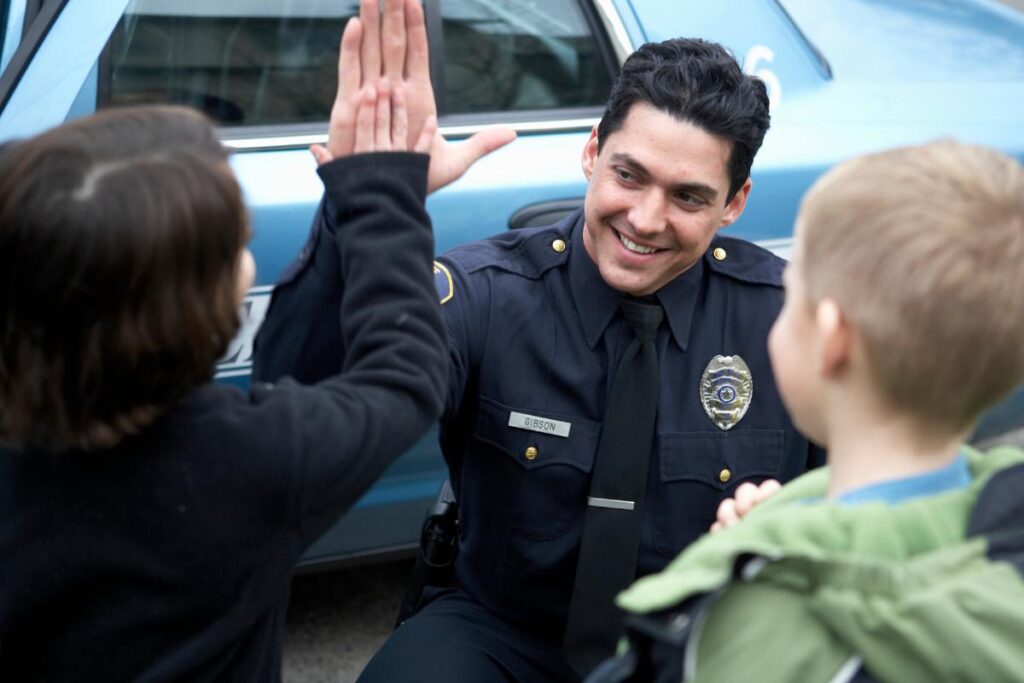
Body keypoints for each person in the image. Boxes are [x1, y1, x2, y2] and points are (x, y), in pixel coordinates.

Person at [255, 2, 820, 678]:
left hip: (698, 642)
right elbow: (298, 394)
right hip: (504, 631)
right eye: (628, 175)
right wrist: (361, 205)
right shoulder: (488, 293)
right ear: (591, 153)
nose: (644, 218)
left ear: (734, 203)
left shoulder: (788, 323)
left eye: (688, 197)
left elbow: (878, 494)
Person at [0, 15, 449, 680]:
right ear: (195, 314)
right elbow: (404, 375)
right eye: (237, 245)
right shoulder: (248, 462)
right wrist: (384, 189)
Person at [593, 140, 1024, 683]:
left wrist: (756, 564)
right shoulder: (1004, 531)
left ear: (831, 339)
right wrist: (790, 525)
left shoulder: (758, 623)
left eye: (791, 296)